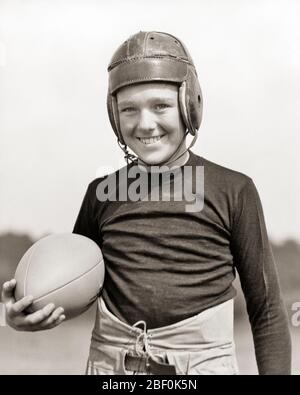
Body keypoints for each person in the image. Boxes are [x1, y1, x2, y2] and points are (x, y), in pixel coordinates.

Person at [1, 31, 291, 375]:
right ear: (114, 116)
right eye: (128, 109)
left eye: (161, 106)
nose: (145, 123)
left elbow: (267, 309)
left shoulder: (234, 190)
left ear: (190, 105)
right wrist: (28, 312)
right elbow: (78, 284)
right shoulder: (101, 194)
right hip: (112, 370)